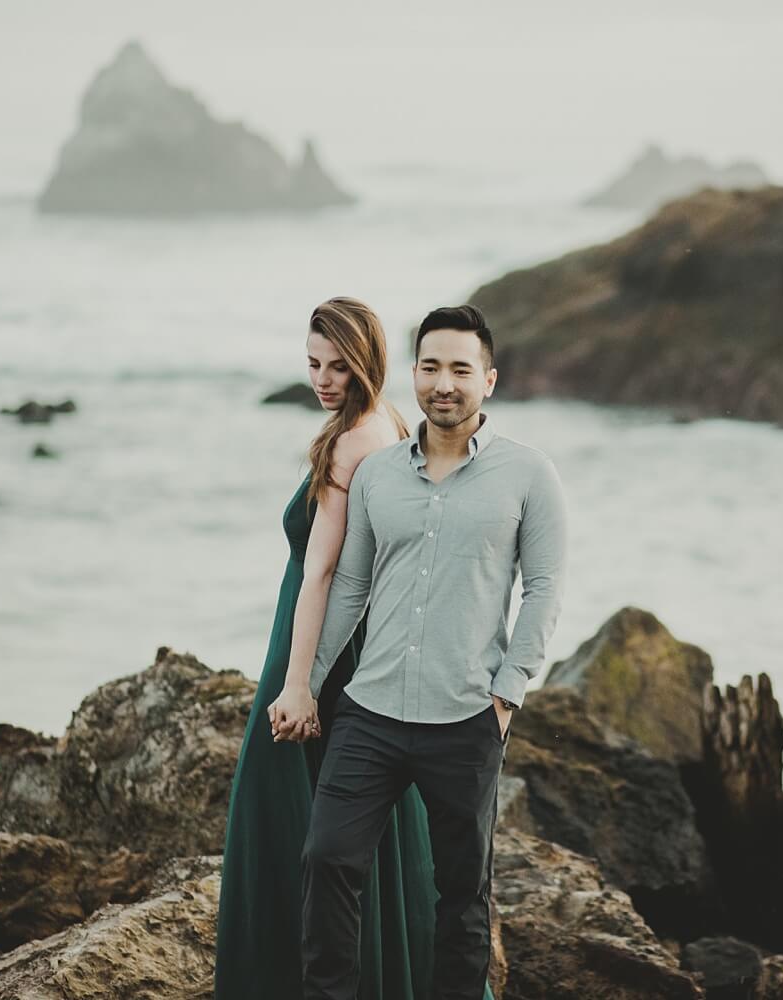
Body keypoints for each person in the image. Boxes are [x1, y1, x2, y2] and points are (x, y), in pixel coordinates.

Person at [277, 304, 569, 1000]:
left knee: (463, 898)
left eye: (461, 369)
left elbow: (546, 590)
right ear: (413, 374)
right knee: (328, 860)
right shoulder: (379, 474)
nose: (445, 383)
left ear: (488, 380)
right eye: (432, 367)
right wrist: (308, 686)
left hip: (466, 720)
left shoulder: (530, 476)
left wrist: (506, 696)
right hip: (369, 715)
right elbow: (347, 590)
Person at [214, 296, 481, 1000]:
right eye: (312, 364)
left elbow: (324, 570)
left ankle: (277, 982)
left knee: (275, 818)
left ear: (365, 362)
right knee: (375, 834)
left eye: (337, 365)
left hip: (320, 651)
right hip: (368, 650)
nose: (323, 379)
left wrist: (298, 681)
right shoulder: (393, 424)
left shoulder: (349, 442)